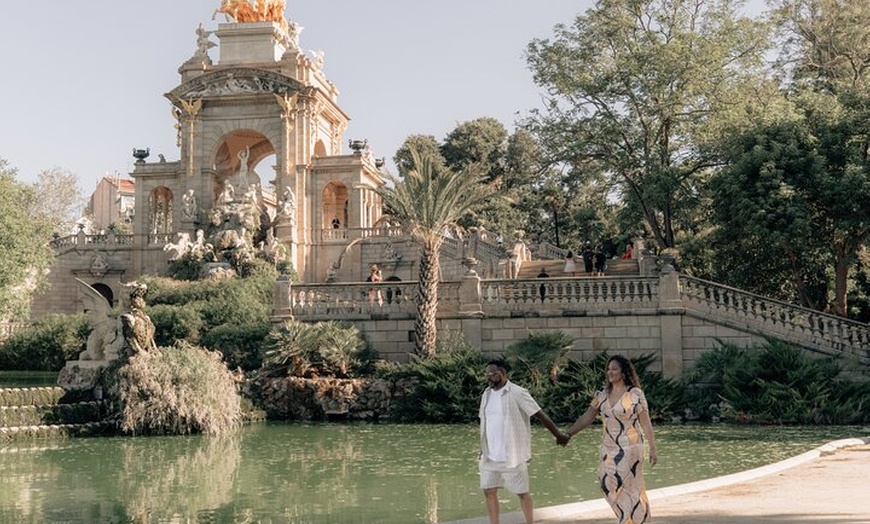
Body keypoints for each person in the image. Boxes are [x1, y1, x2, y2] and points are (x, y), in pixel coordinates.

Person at [564, 355, 658, 524]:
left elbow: (646, 422)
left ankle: (627, 520)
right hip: (608, 447)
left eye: (614, 369)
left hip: (631, 447)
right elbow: (588, 417)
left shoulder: (635, 394)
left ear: (623, 372)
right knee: (605, 483)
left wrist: (652, 447)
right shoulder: (601, 395)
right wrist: (569, 433)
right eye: (608, 369)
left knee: (627, 485)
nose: (610, 372)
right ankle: (635, 519)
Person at [479, 359, 569, 524]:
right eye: (488, 374)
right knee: (489, 491)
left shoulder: (517, 392)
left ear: (504, 373)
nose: (490, 377)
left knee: (522, 492)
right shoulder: (486, 394)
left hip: (512, 454)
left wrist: (558, 434)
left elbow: (539, 414)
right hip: (489, 456)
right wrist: (483, 449)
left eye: (493, 373)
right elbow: (486, 423)